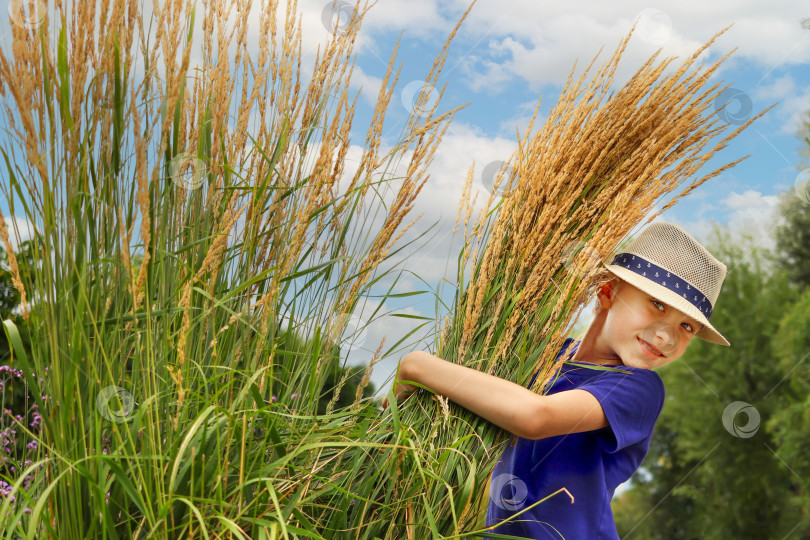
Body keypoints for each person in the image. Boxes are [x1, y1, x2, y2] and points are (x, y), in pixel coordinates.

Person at [382, 222, 730, 539]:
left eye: (687, 327)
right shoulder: (544, 356)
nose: (667, 336)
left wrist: (417, 367)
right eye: (657, 304)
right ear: (608, 291)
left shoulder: (637, 388)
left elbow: (536, 417)